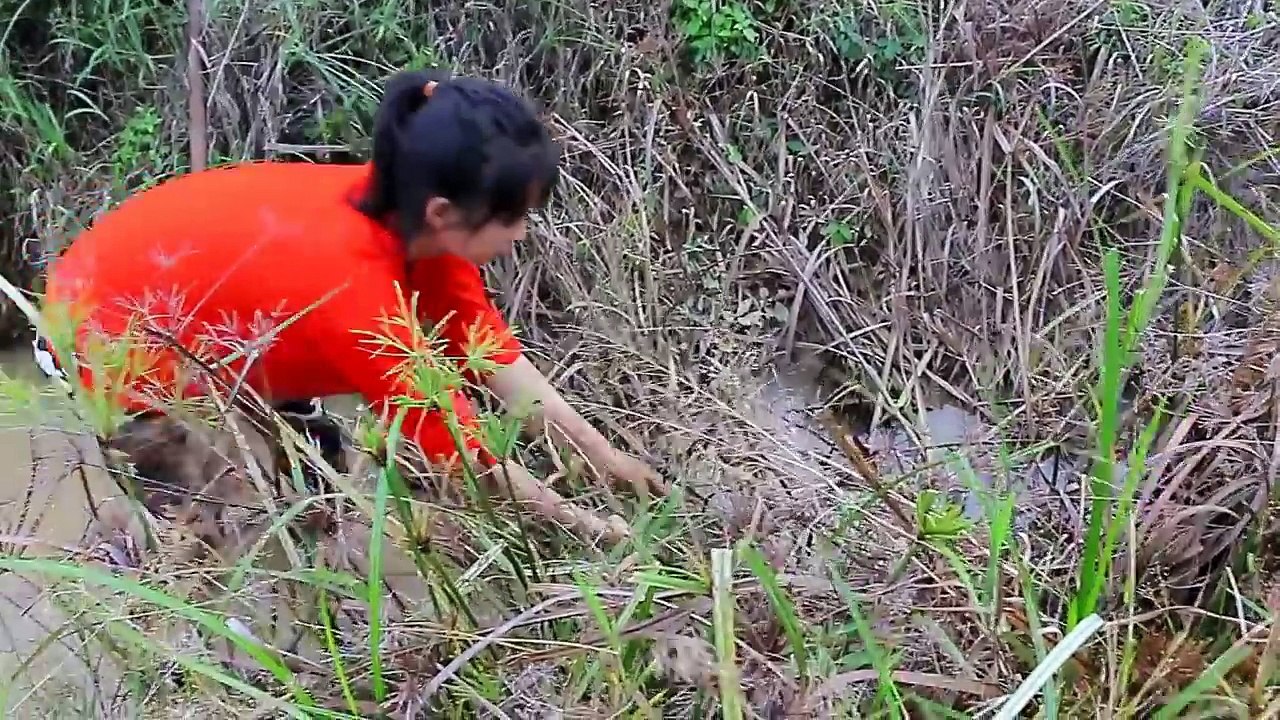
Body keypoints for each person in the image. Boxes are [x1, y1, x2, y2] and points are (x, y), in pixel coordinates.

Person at [37, 68, 663, 543]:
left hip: (234, 312)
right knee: (211, 529)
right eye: (515, 218)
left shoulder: (417, 221)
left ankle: (318, 567)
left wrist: (603, 458)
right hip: (110, 336)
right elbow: (468, 464)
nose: (523, 234)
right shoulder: (352, 291)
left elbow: (490, 359)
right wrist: (596, 530)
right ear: (447, 213)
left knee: (314, 492)